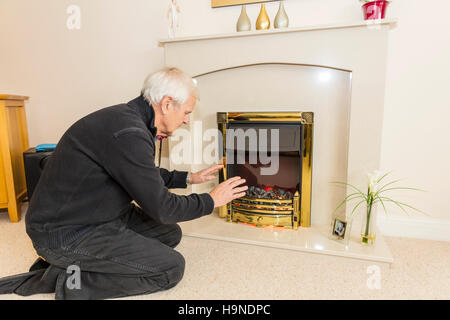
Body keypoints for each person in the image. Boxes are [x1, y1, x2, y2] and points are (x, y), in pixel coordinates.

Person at [0, 67, 247, 300]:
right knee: (170, 268)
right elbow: (163, 208)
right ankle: (69, 279)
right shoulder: (128, 133)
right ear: (167, 104)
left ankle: (83, 261)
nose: (186, 121)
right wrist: (211, 200)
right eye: (186, 113)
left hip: (96, 213)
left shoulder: (128, 121)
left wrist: (189, 178)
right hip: (65, 232)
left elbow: (140, 172)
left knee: (168, 234)